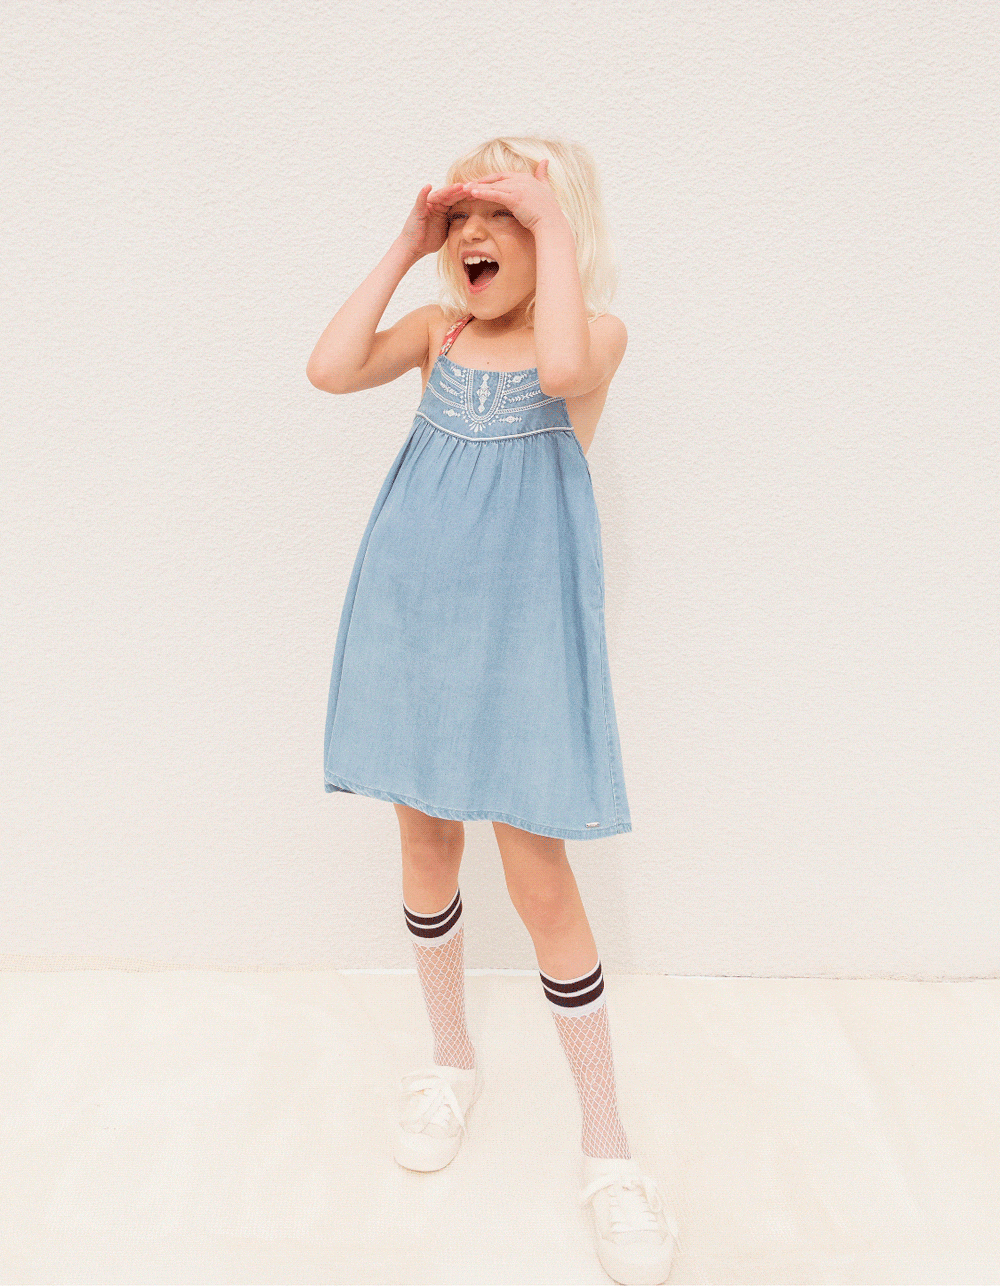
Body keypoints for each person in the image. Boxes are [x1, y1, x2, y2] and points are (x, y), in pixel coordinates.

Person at [307, 136, 679, 1285]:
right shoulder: (440, 333)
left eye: (506, 213)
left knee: (540, 877)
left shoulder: (594, 337)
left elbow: (562, 369)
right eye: (463, 214)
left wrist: (550, 220)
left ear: (558, 233)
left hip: (519, 640)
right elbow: (327, 368)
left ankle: (607, 1145)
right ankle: (450, 1059)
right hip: (411, 617)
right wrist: (404, 242)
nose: (477, 232)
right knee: (424, 843)